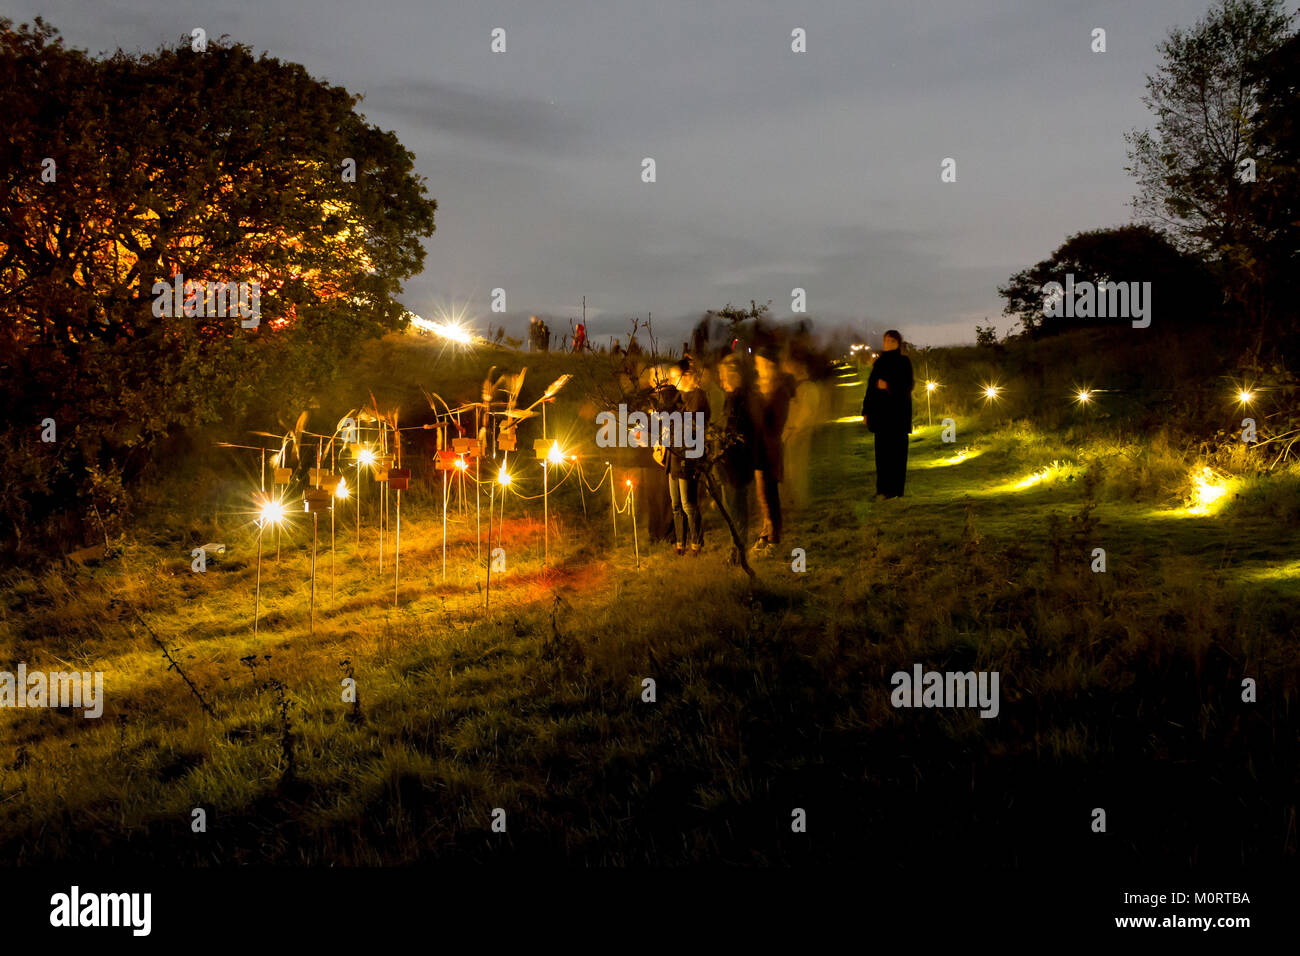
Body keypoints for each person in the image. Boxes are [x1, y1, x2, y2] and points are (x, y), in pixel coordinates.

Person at [659, 359, 710, 556]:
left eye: (675, 376)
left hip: (688, 454)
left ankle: (696, 543)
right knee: (675, 504)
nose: (672, 380)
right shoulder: (678, 396)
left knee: (688, 503)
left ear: (687, 375)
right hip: (674, 454)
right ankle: (680, 542)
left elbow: (692, 423)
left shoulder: (698, 397)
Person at [751, 347, 795, 555]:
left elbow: (773, 423)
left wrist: (757, 408)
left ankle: (773, 537)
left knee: (769, 494)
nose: (757, 366)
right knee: (761, 494)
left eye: (760, 362)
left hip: (770, 448)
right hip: (760, 447)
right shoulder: (763, 387)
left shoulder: (779, 391)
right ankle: (765, 532)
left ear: (769, 365)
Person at [861, 329, 914, 498]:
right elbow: (870, 388)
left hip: (898, 416)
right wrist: (866, 411)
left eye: (891, 341)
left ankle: (897, 491)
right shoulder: (879, 363)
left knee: (897, 455)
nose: (887, 344)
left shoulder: (904, 362)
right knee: (882, 455)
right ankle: (882, 490)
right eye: (885, 341)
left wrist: (889, 386)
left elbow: (908, 385)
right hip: (881, 416)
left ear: (898, 343)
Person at [715, 355, 756, 566]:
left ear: (735, 375)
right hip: (729, 465)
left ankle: (739, 553)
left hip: (736, 465)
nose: (721, 380)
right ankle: (736, 550)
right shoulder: (731, 398)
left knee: (737, 512)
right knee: (733, 512)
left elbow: (738, 432)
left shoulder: (740, 400)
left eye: (724, 374)